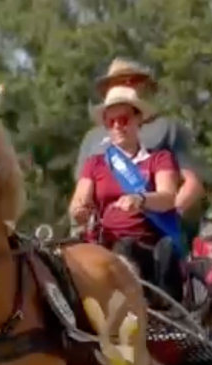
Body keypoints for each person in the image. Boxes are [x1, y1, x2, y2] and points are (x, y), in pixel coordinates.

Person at [68, 85, 182, 305]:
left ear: (138, 120)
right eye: (111, 122)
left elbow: (168, 197)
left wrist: (140, 199)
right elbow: (77, 204)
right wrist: (80, 211)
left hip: (149, 246)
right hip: (107, 244)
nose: (118, 126)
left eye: (124, 119)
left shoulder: (159, 159)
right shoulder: (95, 164)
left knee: (156, 249)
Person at [75, 58, 207, 219]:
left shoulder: (168, 128)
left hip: (152, 225)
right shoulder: (92, 137)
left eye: (131, 80)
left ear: (143, 85)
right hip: (102, 228)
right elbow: (81, 194)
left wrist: (170, 217)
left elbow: (192, 183)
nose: (125, 85)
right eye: (116, 82)